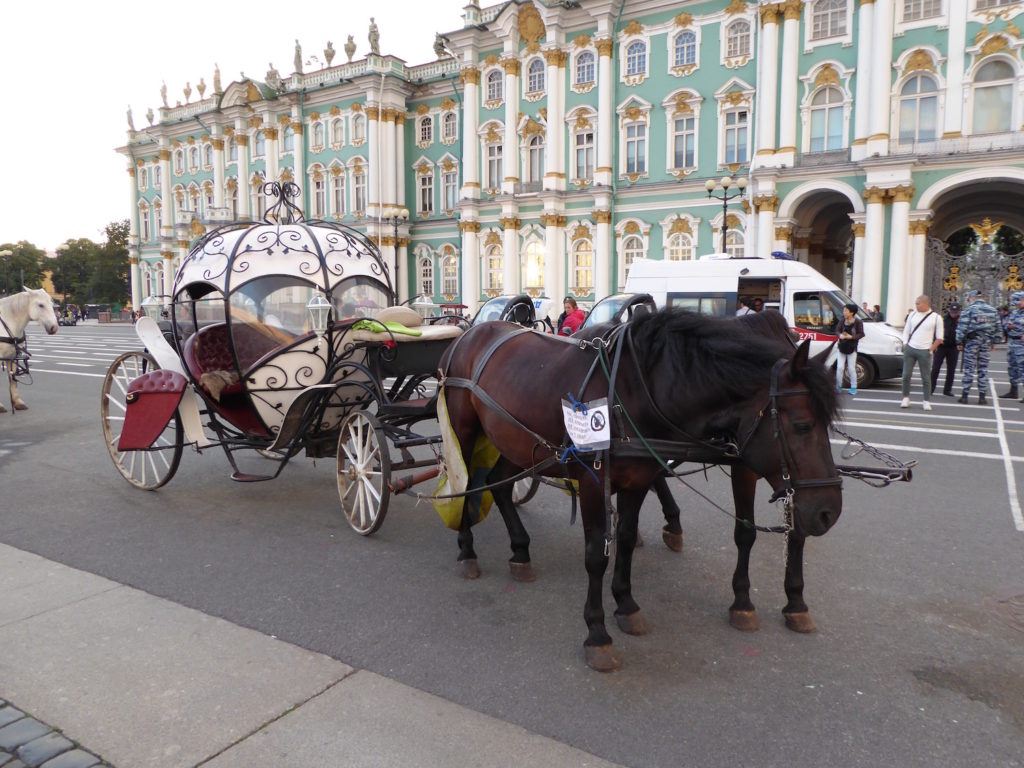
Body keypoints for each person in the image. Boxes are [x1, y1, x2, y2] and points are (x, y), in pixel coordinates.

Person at [955, 289, 1000, 405]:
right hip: (986, 342)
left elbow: (962, 328)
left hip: (972, 342)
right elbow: (998, 329)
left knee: (969, 369)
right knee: (983, 369)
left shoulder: (969, 310)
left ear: (972, 298)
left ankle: (965, 396)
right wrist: (994, 341)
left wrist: (959, 342)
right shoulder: (993, 310)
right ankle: (982, 397)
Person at [900, 294, 942, 410]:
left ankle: (926, 400)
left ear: (926, 304)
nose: (916, 306)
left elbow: (939, 338)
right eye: (916, 303)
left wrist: (931, 349)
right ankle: (905, 398)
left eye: (918, 304)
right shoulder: (912, 315)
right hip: (911, 349)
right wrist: (905, 343)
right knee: (906, 375)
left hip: (925, 351)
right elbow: (906, 330)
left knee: (926, 377)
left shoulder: (936, 317)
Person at [930, 302, 961, 397]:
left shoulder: (961, 320)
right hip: (941, 347)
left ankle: (947, 390)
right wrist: (935, 343)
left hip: (953, 348)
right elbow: (935, 331)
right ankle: (931, 388)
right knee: (935, 368)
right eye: (952, 312)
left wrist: (961, 343)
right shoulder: (942, 319)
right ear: (949, 310)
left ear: (958, 312)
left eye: (955, 312)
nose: (953, 314)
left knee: (951, 370)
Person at [834, 303, 864, 395]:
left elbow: (861, 334)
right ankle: (838, 386)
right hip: (841, 346)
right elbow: (837, 331)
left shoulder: (858, 322)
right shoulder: (842, 321)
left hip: (852, 347)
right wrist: (840, 335)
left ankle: (853, 387)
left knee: (851, 368)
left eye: (846, 311)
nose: (844, 312)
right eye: (844, 310)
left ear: (852, 313)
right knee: (839, 367)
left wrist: (852, 337)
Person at [1000, 291, 1024, 400]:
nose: (1017, 304)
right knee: (1012, 368)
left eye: (1019, 301)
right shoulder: (1014, 313)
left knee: (1022, 368)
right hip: (1012, 343)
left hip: (1021, 344)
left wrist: (1015, 327)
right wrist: (1009, 326)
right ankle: (1013, 391)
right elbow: (1005, 325)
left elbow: (1016, 326)